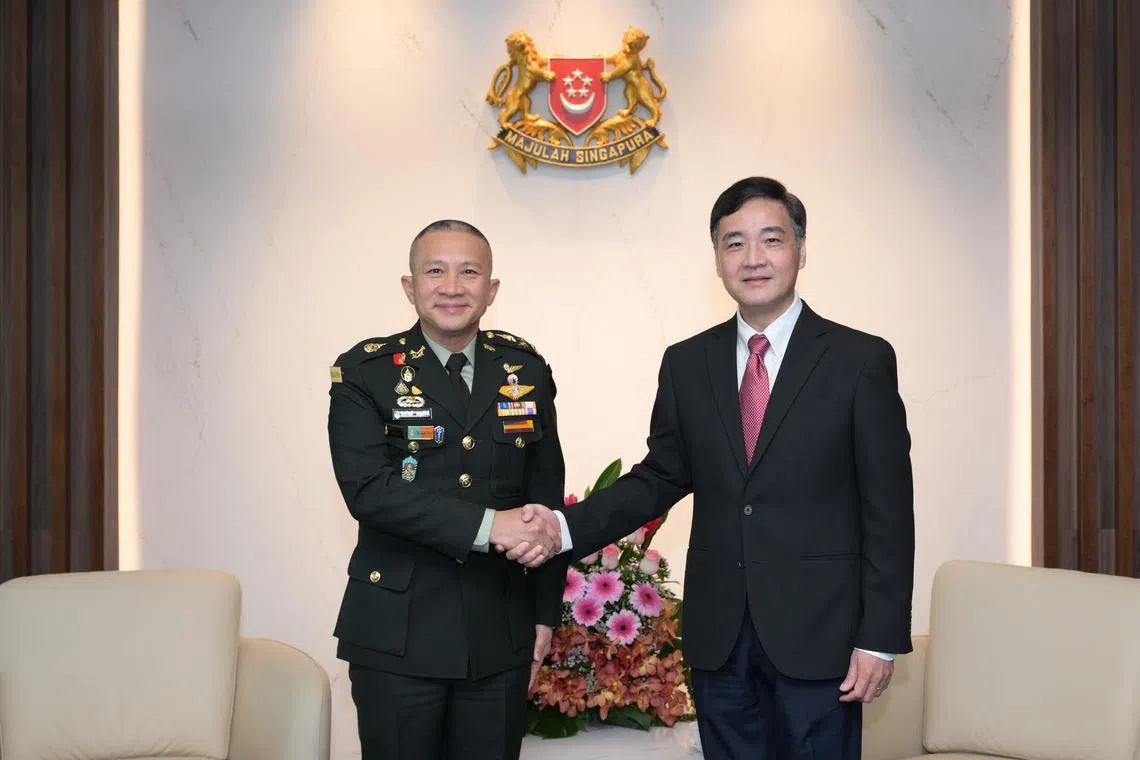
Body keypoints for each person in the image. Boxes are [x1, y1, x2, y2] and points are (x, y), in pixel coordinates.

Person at [508, 177, 915, 759]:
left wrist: (879, 638)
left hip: (821, 637)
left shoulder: (859, 360)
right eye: (734, 243)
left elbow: (889, 512)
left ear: (801, 249)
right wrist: (562, 528)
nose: (753, 258)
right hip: (719, 639)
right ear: (717, 259)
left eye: (771, 239)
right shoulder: (687, 362)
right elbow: (659, 477)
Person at [327, 219, 565, 760]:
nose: (452, 287)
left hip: (500, 632)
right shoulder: (365, 372)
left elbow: (545, 500)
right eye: (435, 271)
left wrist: (544, 613)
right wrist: (490, 525)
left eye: (470, 272)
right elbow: (369, 490)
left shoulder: (525, 370)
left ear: (492, 289)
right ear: (409, 286)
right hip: (396, 636)